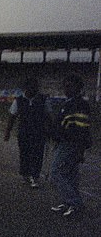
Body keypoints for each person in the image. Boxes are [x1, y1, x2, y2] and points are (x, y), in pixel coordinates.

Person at [49, 74, 92, 217]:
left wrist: (80, 151)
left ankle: (74, 203)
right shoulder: (69, 103)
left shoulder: (79, 104)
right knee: (70, 174)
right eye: (65, 85)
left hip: (71, 144)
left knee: (55, 172)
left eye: (70, 86)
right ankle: (69, 203)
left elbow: (81, 129)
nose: (66, 88)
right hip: (64, 142)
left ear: (78, 88)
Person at [3, 77, 50, 187]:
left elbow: (48, 116)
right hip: (24, 132)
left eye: (36, 87)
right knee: (25, 154)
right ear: (26, 88)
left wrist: (50, 130)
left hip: (39, 132)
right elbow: (12, 117)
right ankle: (25, 175)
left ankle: (34, 176)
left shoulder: (43, 99)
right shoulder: (18, 100)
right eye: (32, 87)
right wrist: (7, 132)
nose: (34, 89)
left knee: (38, 154)